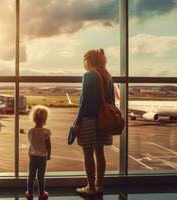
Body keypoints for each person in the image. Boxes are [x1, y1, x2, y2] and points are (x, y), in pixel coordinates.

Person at [73, 49, 115, 196]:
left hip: (89, 120)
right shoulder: (108, 76)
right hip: (103, 120)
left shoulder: (88, 75)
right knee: (100, 152)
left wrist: (77, 122)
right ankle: (99, 184)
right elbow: (111, 101)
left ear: (87, 61)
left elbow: (84, 102)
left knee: (88, 154)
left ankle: (90, 187)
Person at [25, 105, 51, 200]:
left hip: (32, 155)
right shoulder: (46, 132)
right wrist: (49, 155)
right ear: (45, 119)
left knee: (31, 174)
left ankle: (30, 193)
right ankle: (41, 193)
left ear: (34, 118)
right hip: (42, 156)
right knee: (41, 176)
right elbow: (48, 145)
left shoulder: (31, 131)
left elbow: (30, 142)